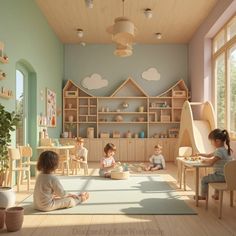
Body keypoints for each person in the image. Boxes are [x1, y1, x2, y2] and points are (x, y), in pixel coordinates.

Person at [196, 129, 232, 200]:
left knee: (204, 179)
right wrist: (199, 154)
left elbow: (211, 162)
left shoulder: (219, 151)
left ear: (217, 141)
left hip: (222, 177)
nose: (211, 143)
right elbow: (209, 155)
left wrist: (204, 160)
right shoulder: (224, 149)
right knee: (215, 175)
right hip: (229, 176)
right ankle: (216, 195)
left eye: (211, 141)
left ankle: (203, 196)